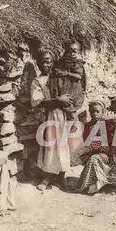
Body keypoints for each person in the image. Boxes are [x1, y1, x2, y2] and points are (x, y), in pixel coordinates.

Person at [32, 47, 84, 190]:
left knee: (67, 145)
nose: (45, 65)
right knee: (53, 147)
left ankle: (62, 176)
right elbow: (38, 102)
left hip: (67, 114)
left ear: (54, 61)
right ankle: (48, 177)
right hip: (52, 115)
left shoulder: (61, 75)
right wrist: (58, 100)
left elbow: (76, 86)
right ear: (38, 64)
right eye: (42, 63)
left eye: (48, 62)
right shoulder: (39, 81)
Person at [76, 100, 116, 195]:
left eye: (97, 111)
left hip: (113, 151)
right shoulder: (88, 126)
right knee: (94, 158)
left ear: (102, 113)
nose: (94, 114)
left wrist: (112, 118)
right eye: (92, 111)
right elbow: (88, 142)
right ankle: (97, 183)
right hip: (98, 151)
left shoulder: (108, 123)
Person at [50, 38, 87, 118]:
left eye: (74, 51)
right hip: (63, 89)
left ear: (79, 52)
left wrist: (67, 73)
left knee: (71, 112)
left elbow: (79, 76)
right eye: (69, 51)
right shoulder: (61, 62)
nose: (71, 53)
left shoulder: (78, 64)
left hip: (74, 90)